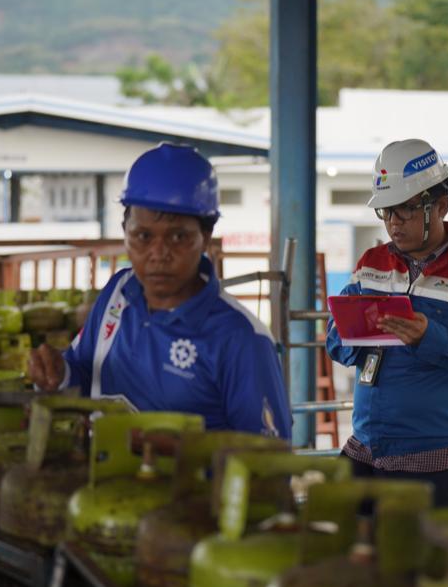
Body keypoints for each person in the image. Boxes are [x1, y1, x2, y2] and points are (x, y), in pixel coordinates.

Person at [29, 142, 291, 439]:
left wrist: (179, 453)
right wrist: (58, 373)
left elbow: (270, 457)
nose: (158, 253)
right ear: (125, 232)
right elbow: (84, 370)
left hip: (192, 486)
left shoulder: (242, 339)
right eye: (143, 236)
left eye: (178, 236)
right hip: (104, 483)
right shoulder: (118, 293)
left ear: (205, 237)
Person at [326, 139, 448, 506]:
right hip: (368, 450)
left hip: (442, 464)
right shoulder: (371, 263)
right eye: (385, 213)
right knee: (344, 551)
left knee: (430, 563)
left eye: (405, 211)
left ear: (441, 206)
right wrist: (352, 334)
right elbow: (335, 342)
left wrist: (430, 338)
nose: (393, 224)